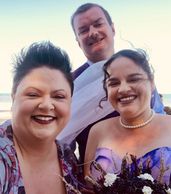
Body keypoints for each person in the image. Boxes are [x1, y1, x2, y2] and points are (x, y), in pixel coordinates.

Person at [58, 3, 165, 163]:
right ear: (78, 41)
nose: (92, 32)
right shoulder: (69, 84)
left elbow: (158, 120)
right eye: (83, 30)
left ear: (112, 28)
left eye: (98, 24)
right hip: (96, 178)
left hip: (154, 169)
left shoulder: (138, 68)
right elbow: (61, 141)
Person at [0, 42, 88, 194]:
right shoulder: (3, 157)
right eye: (33, 94)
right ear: (14, 97)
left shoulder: (68, 158)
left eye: (59, 96)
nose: (47, 105)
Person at [84, 49, 171, 185]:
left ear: (152, 82)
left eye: (134, 79)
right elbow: (88, 185)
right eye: (114, 83)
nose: (123, 89)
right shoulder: (97, 131)